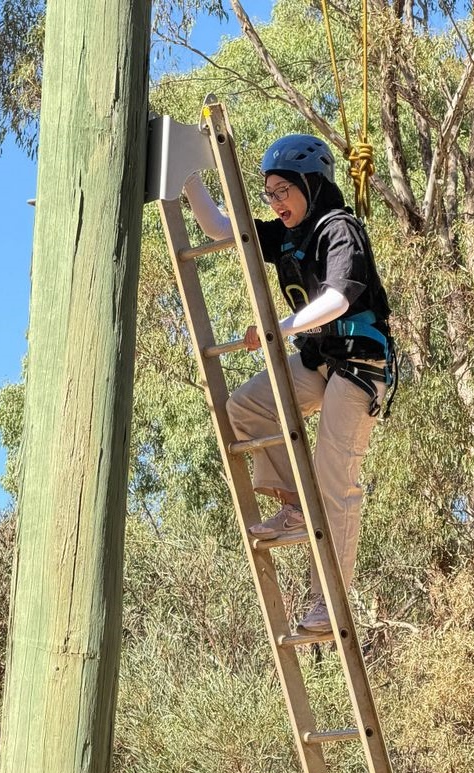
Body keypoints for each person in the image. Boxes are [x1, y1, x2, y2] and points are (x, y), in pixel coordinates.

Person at [183, 134, 394, 634]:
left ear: (311, 184)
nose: (276, 202)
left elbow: (339, 298)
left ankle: (331, 604)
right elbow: (220, 227)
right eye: (269, 193)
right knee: (245, 408)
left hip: (359, 366)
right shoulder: (285, 236)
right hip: (320, 363)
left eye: (283, 191)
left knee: (335, 480)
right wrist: (186, 174)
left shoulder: (338, 228)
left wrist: (278, 327)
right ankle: (296, 505)